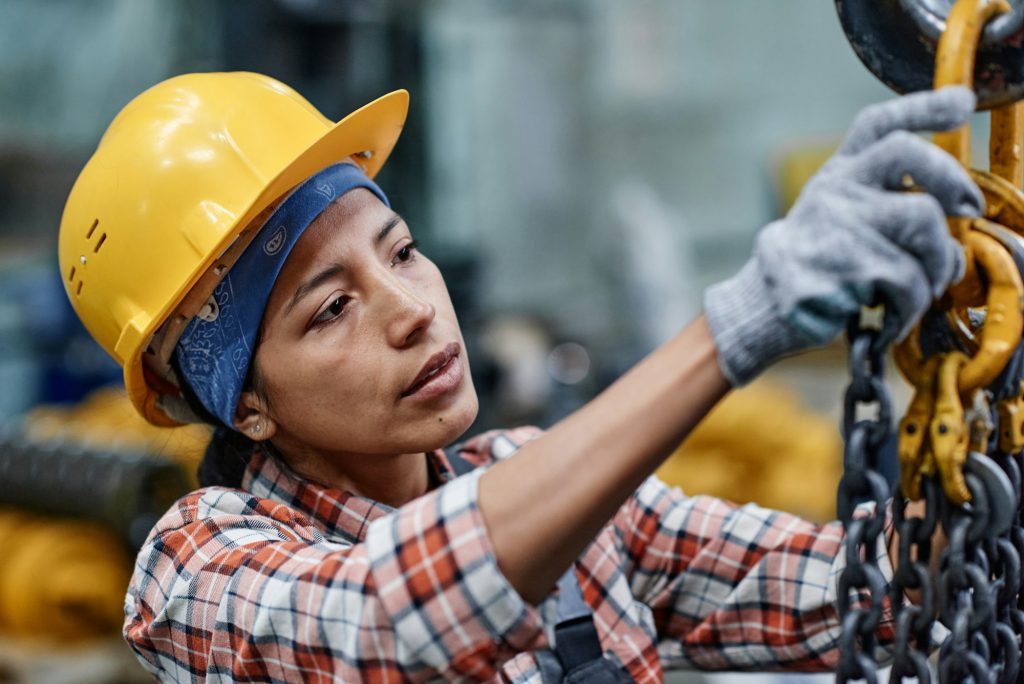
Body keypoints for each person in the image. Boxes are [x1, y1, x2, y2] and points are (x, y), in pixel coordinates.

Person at [59, 71, 978, 682]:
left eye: (404, 253)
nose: (414, 307)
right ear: (245, 405)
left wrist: (972, 511)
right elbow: (387, 623)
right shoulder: (193, 569)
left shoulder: (551, 484)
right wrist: (728, 332)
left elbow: (839, 580)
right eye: (330, 308)